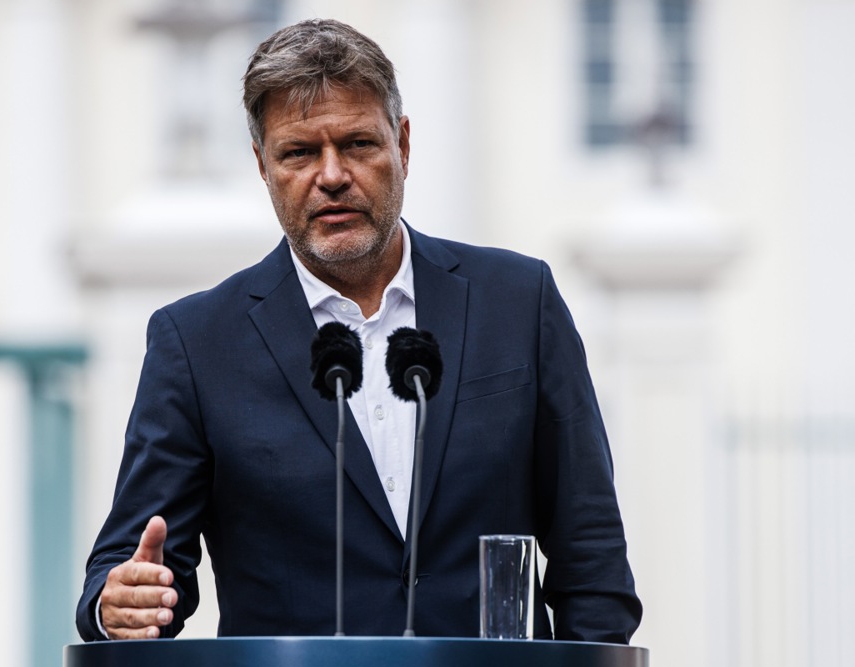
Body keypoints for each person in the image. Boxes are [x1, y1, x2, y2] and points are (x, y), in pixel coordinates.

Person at [77, 18, 641, 643]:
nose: (332, 175)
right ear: (262, 165)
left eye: (357, 144)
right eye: (298, 153)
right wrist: (119, 604)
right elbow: (130, 563)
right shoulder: (196, 342)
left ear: (403, 144)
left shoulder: (518, 302)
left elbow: (590, 552)